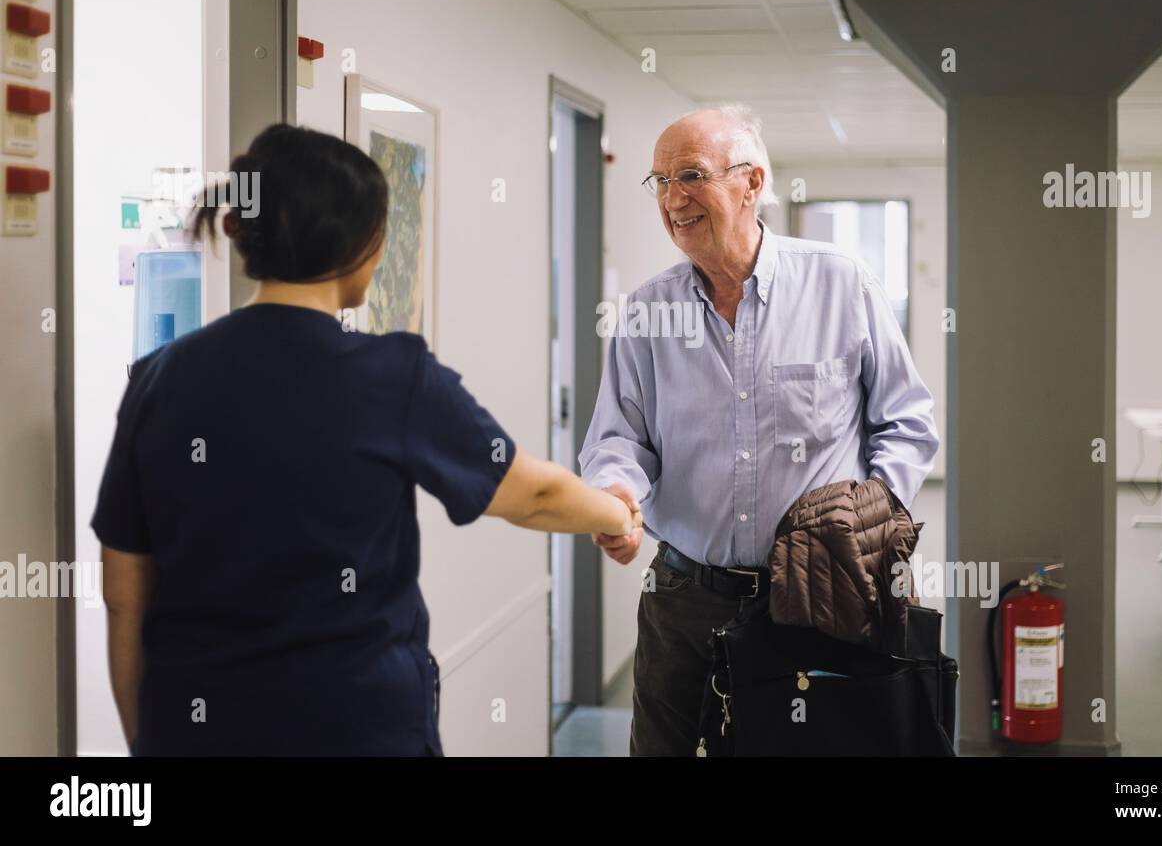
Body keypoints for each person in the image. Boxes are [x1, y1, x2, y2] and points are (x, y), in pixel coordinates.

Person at [94, 123, 639, 756]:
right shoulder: (390, 375)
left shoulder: (160, 378)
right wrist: (617, 513)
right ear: (361, 242)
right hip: (353, 725)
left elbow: (123, 594)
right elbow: (534, 493)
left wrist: (147, 743)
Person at [579, 104, 939, 755]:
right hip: (685, 599)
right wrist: (615, 493)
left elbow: (906, 422)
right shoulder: (646, 312)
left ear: (752, 182)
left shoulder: (840, 284)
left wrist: (871, 523)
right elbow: (619, 438)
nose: (672, 199)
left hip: (820, 594)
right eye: (658, 182)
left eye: (690, 175)